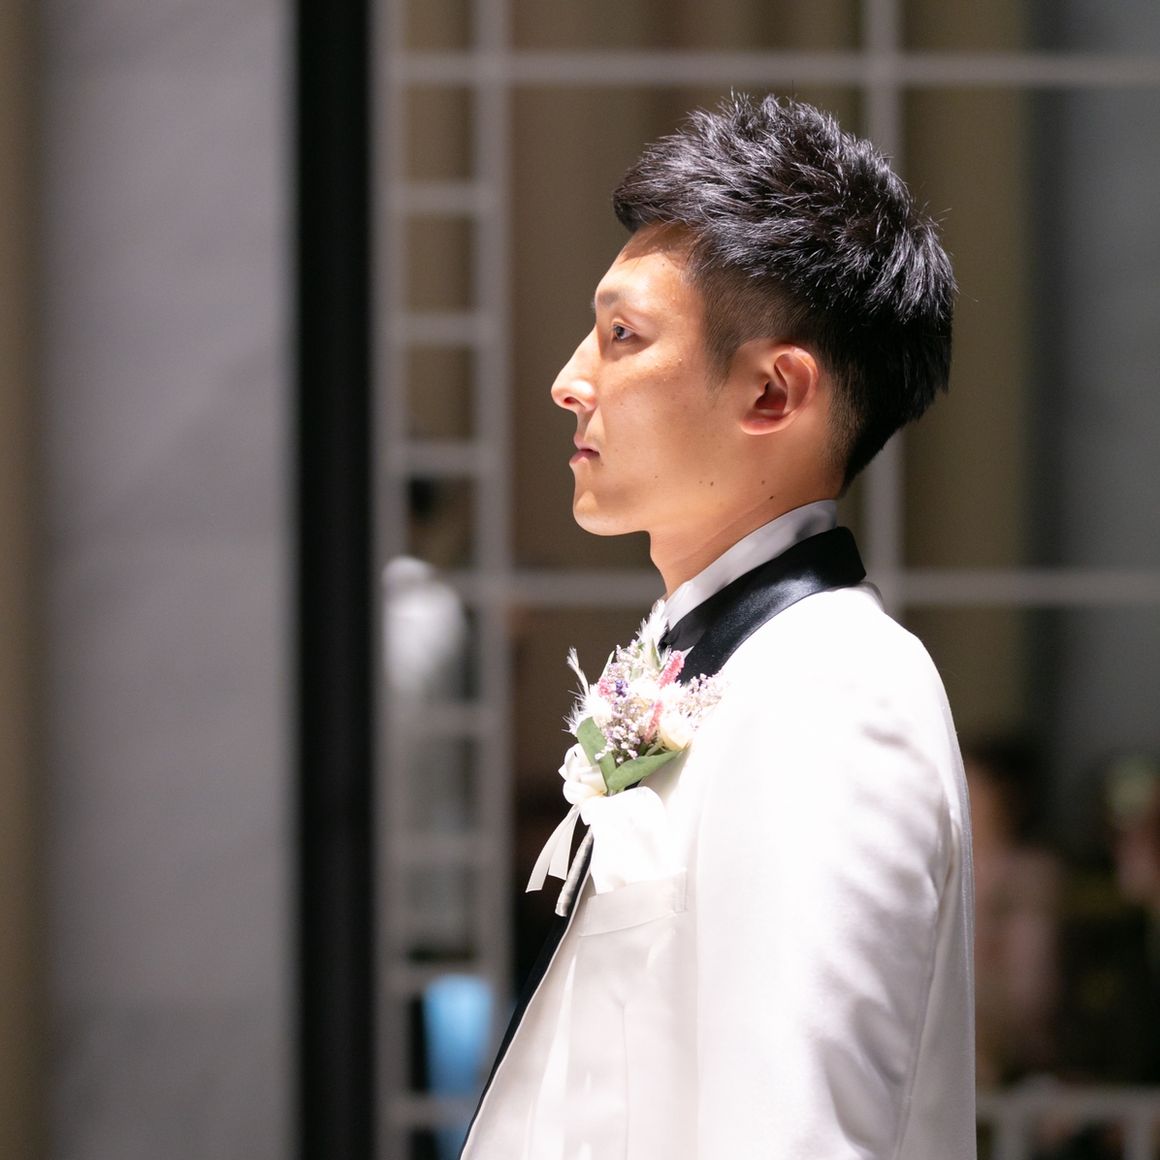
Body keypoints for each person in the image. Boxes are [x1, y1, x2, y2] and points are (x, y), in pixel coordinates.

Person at [460, 94, 975, 1159]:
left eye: (622, 335)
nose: (568, 381)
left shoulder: (832, 693)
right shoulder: (745, 666)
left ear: (772, 393)